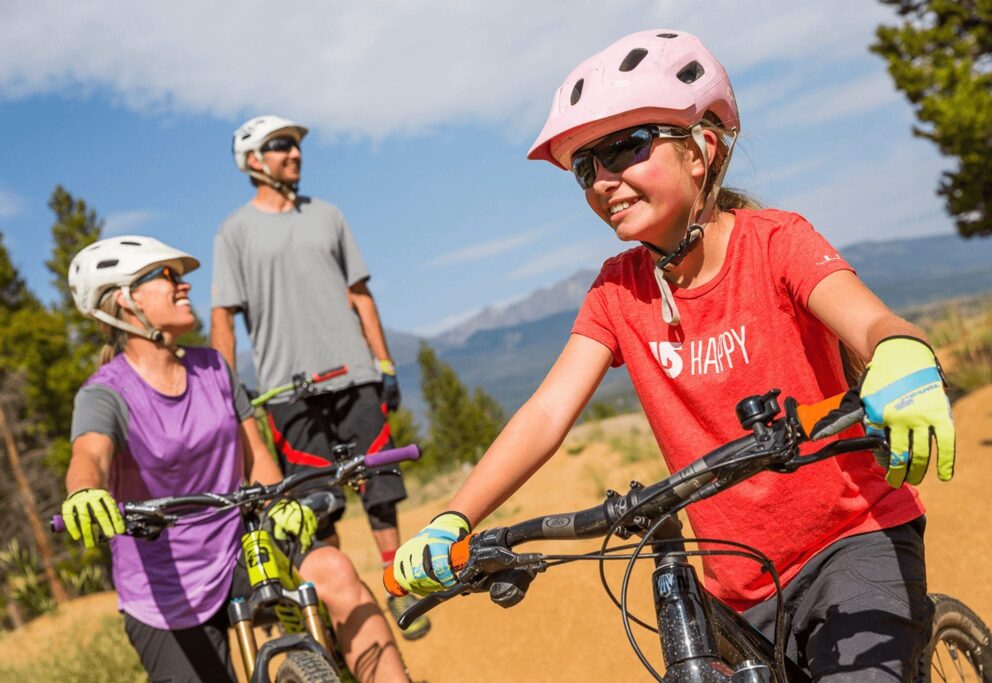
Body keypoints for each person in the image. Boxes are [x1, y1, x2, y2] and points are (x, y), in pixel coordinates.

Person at [393, 29, 956, 681]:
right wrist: (454, 515)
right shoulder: (615, 291)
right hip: (738, 587)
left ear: (702, 151)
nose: (604, 179)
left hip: (854, 542)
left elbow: (873, 321)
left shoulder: (775, 243)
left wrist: (899, 356)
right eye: (586, 167)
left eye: (626, 147)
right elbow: (547, 411)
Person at [61, 236, 410, 683]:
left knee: (336, 571)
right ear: (125, 302)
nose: (184, 285)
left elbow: (256, 455)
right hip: (165, 593)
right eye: (167, 276)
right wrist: (85, 491)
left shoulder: (214, 368)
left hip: (239, 549)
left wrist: (276, 502)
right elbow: (89, 452)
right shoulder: (105, 392)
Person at [210, 114, 428, 638]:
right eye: (282, 146)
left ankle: (397, 587)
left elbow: (360, 296)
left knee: (379, 488)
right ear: (254, 161)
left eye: (296, 146)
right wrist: (225, 392)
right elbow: (223, 318)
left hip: (355, 373)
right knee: (315, 502)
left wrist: (385, 363)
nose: (295, 154)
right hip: (288, 391)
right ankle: (338, 601)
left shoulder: (328, 215)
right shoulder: (233, 232)